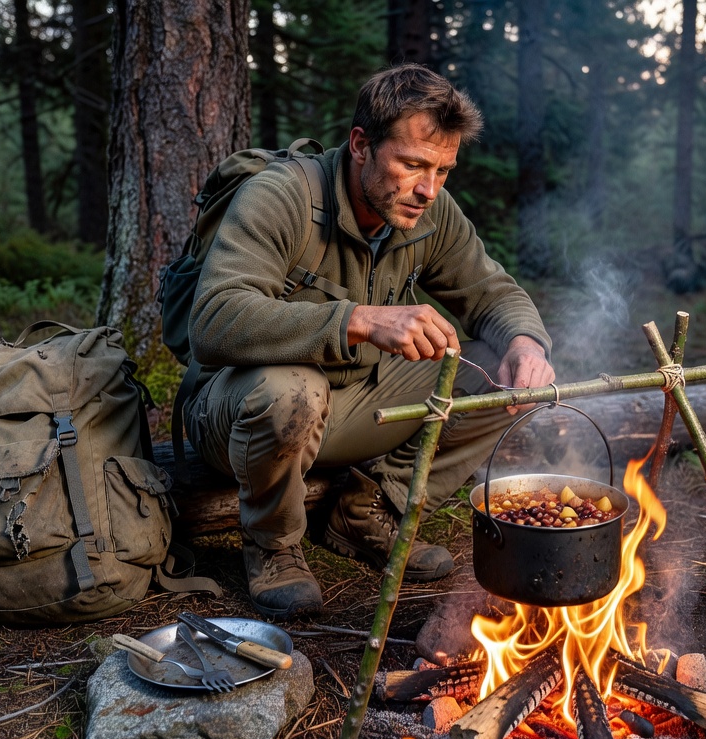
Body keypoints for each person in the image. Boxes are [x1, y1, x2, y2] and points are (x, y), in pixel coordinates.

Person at [185, 64, 555, 620]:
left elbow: (491, 291)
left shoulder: (428, 212)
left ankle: (368, 510)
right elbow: (213, 319)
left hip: (352, 400)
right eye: (412, 164)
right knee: (294, 389)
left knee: (494, 373)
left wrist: (528, 343)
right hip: (238, 410)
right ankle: (274, 546)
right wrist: (356, 320)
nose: (428, 189)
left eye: (443, 170)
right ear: (361, 145)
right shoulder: (282, 197)